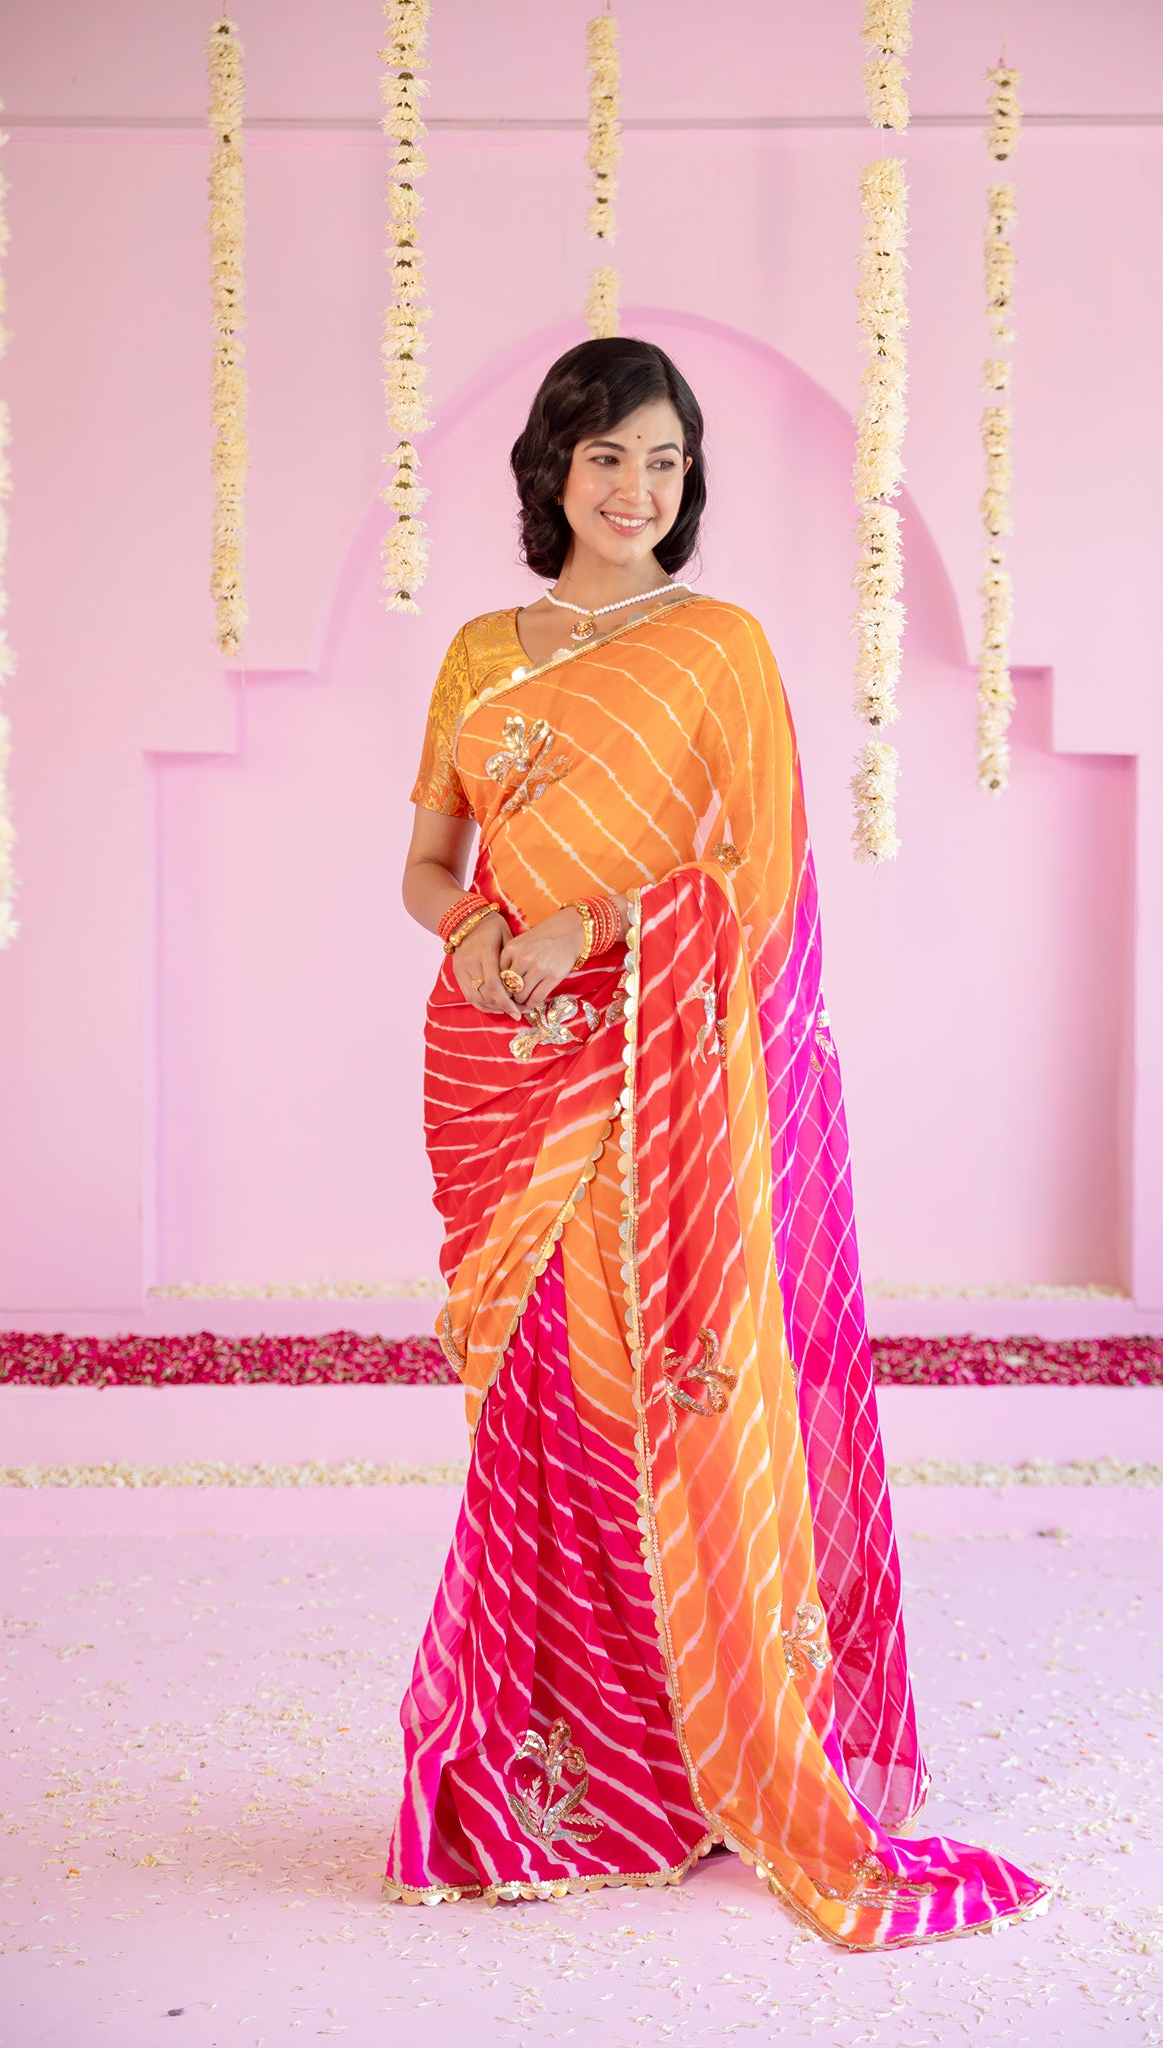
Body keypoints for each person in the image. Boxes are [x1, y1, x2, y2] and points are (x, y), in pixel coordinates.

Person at [385, 335, 1051, 1948]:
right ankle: (557, 1759)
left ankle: (699, 1752)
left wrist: (601, 923)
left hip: (656, 1075)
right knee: (535, 1409)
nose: (636, 488)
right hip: (501, 1068)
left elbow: (758, 883)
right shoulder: (480, 653)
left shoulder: (716, 645)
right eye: (607, 456)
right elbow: (427, 863)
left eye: (664, 462)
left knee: (661, 1395)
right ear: (553, 470)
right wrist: (474, 937)